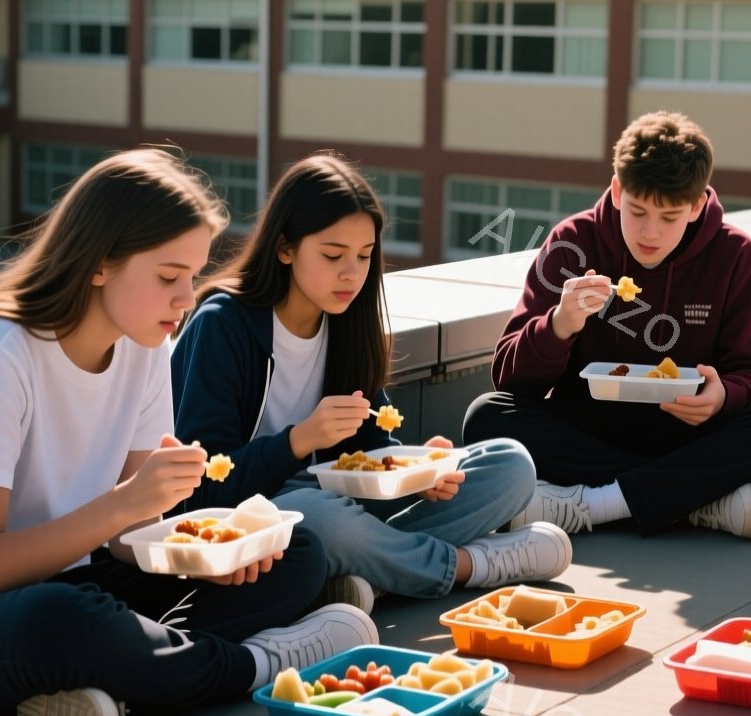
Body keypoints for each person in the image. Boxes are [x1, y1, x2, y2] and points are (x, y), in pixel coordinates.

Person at [0, 150, 374, 716]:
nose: (187, 298)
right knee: (63, 621)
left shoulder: (143, 346)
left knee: (293, 553)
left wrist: (206, 556)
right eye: (168, 277)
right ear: (99, 263)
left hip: (71, 577)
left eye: (193, 277)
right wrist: (126, 502)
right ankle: (262, 662)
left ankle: (85, 685)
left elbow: (125, 537)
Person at [171, 152, 570, 613]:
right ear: (284, 248)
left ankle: (369, 571)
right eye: (333, 255)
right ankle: (467, 566)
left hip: (340, 506)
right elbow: (202, 489)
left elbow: (369, 447)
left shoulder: (345, 318)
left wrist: (415, 472)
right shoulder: (224, 325)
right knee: (319, 519)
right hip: (261, 522)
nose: (352, 274)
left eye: (364, 256)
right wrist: (298, 441)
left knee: (510, 464)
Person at [463, 112, 751, 539]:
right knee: (486, 417)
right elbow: (510, 380)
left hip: (688, 432)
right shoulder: (572, 241)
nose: (650, 232)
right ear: (616, 191)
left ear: (697, 205)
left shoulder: (734, 254)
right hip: (589, 428)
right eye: (637, 211)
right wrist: (560, 323)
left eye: (669, 216)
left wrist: (724, 395)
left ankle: (593, 504)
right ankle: (697, 500)